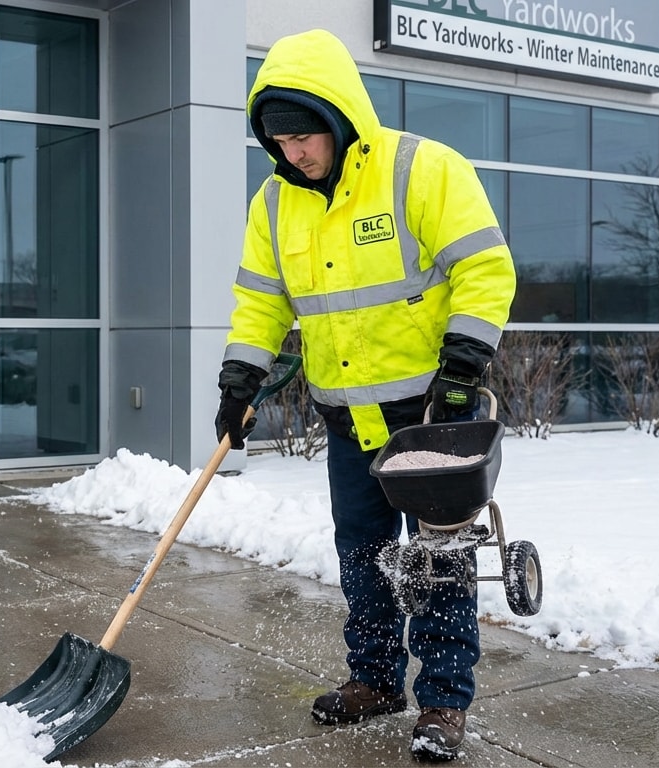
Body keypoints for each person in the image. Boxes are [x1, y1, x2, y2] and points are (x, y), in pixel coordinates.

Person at [215, 29, 516, 761]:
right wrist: (239, 380)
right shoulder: (274, 203)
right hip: (347, 416)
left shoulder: (421, 169)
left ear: (340, 116)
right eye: (279, 140)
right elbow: (261, 303)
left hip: (432, 414)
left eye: (303, 136)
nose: (292, 153)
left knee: (438, 559)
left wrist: (463, 370)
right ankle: (375, 679)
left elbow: (485, 269)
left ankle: (443, 702)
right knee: (363, 554)